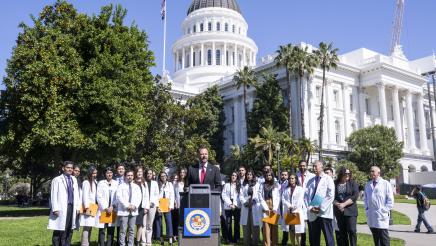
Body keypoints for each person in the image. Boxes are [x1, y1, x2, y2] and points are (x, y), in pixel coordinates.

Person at [48, 161, 81, 246]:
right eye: (68, 167)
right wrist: (55, 208)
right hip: (61, 208)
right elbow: (53, 195)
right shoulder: (57, 180)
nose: (70, 169)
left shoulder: (74, 179)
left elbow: (76, 195)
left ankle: (67, 244)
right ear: (63, 168)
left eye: (71, 168)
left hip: (71, 207)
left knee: (69, 228)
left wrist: (78, 207)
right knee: (59, 229)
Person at [305, 160, 335, 246]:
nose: (314, 168)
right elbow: (306, 196)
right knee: (314, 238)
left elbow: (330, 195)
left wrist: (320, 208)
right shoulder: (310, 181)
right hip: (313, 213)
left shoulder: (328, 179)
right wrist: (311, 208)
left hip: (324, 213)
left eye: (316, 166)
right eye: (313, 166)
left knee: (328, 238)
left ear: (322, 167)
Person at [364, 166, 394, 246]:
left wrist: (384, 210)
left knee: (384, 238)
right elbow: (365, 199)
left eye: (373, 171)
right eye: (370, 171)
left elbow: (390, 200)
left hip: (381, 215)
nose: (371, 173)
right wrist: (366, 209)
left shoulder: (385, 183)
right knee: (376, 238)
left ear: (379, 173)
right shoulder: (368, 184)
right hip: (371, 215)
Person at [333, 167, 359, 246]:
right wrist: (338, 204)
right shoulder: (335, 183)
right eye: (345, 173)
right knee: (342, 232)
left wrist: (344, 204)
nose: (347, 175)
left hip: (350, 210)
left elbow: (355, 196)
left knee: (352, 230)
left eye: (349, 173)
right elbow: (331, 196)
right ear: (341, 174)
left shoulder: (353, 183)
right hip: (339, 211)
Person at [116, 170, 142, 246]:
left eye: (131, 175)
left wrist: (134, 206)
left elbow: (139, 197)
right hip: (124, 211)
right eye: (128, 175)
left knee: (131, 230)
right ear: (125, 176)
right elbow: (119, 197)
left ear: (133, 176)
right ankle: (122, 244)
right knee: (123, 230)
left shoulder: (136, 186)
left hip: (133, 211)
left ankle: (130, 244)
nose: (130, 177)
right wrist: (127, 205)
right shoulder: (121, 186)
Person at [97, 167, 119, 246]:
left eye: (110, 173)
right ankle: (101, 244)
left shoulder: (116, 183)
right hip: (104, 209)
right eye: (107, 173)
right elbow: (99, 197)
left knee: (111, 229)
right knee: (102, 229)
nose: (109, 174)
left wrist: (112, 206)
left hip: (112, 209)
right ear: (105, 174)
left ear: (112, 174)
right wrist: (106, 208)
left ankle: (109, 244)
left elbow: (118, 197)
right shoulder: (101, 183)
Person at [282, 173, 305, 246]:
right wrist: (289, 206)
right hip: (289, 212)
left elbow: (300, 201)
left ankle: (298, 244)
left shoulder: (300, 189)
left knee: (298, 232)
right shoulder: (286, 189)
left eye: (293, 178)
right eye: (290, 178)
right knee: (291, 230)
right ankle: (293, 244)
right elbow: (283, 199)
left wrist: (293, 207)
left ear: (296, 179)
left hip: (296, 212)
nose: (291, 180)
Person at [239, 169, 261, 246]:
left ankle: (255, 243)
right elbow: (241, 196)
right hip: (246, 207)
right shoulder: (243, 184)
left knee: (255, 226)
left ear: (253, 176)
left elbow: (259, 194)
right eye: (248, 174)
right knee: (246, 226)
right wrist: (245, 203)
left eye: (250, 174)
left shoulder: (257, 184)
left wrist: (253, 201)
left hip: (254, 207)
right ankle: (247, 243)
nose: (249, 176)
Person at [259, 170, 280, 246]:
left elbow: (278, 197)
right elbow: (260, 197)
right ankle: (267, 244)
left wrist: (275, 208)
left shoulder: (276, 185)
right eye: (267, 175)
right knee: (266, 229)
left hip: (273, 207)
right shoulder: (262, 185)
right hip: (266, 208)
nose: (268, 177)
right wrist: (266, 208)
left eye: (270, 175)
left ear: (272, 176)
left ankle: (274, 244)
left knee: (274, 229)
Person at [296, 160, 314, 245]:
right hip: (299, 204)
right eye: (301, 166)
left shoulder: (312, 176)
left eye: (304, 166)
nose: (302, 167)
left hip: (309, 203)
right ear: (298, 166)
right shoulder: (296, 176)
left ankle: (312, 242)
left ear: (307, 166)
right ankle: (302, 243)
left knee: (311, 226)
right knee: (301, 226)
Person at [80, 166, 99, 246]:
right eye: (93, 173)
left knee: (90, 226)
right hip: (88, 207)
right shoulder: (86, 182)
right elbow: (85, 196)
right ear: (89, 173)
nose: (95, 175)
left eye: (96, 173)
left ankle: (87, 243)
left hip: (94, 207)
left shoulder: (95, 182)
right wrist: (87, 208)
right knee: (86, 227)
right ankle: (84, 244)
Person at [222, 171, 241, 244]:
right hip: (228, 205)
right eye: (232, 175)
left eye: (235, 176)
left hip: (236, 205)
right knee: (228, 223)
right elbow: (223, 195)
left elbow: (239, 196)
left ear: (237, 177)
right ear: (230, 176)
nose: (234, 177)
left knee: (236, 223)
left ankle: (236, 239)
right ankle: (229, 239)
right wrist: (230, 204)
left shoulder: (239, 185)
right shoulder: (226, 185)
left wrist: (235, 205)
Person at [156, 171, 175, 245]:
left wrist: (171, 206)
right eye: (161, 176)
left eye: (164, 176)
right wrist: (157, 206)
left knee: (168, 222)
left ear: (166, 176)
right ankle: (161, 238)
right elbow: (156, 196)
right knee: (159, 222)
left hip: (167, 204)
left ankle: (170, 238)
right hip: (160, 204)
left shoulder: (170, 184)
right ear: (160, 177)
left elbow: (172, 195)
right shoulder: (157, 184)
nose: (163, 177)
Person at [134, 166, 150, 246]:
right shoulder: (132, 181)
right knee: (131, 224)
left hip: (141, 207)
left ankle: (137, 241)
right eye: (138, 171)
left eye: (141, 171)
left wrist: (146, 207)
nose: (139, 173)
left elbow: (147, 196)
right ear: (135, 172)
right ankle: (129, 240)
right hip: (133, 207)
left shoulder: (145, 183)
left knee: (140, 224)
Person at [144, 169, 159, 246]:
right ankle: (143, 241)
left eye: (150, 173)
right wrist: (146, 204)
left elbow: (157, 195)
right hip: (144, 207)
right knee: (143, 224)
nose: (149, 175)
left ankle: (148, 241)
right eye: (148, 173)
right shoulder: (143, 183)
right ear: (145, 174)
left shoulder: (155, 183)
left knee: (149, 225)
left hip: (152, 206)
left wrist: (153, 203)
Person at [278, 170, 289, 246]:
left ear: (287, 176)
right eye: (282, 175)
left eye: (285, 175)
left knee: (287, 224)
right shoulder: (278, 183)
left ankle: (285, 241)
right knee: (280, 223)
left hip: (286, 205)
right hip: (278, 205)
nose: (283, 176)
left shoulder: (289, 183)